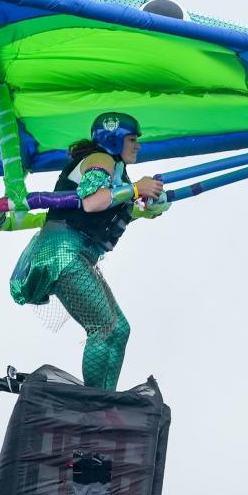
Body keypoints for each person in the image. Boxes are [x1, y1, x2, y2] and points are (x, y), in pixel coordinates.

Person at [9, 112, 167, 391]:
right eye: (132, 139)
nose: (138, 146)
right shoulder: (100, 159)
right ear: (114, 140)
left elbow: (114, 210)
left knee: (119, 329)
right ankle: (94, 401)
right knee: (104, 328)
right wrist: (135, 189)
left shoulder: (116, 170)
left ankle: (105, 398)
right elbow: (93, 203)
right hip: (63, 252)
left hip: (78, 253)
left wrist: (151, 203)